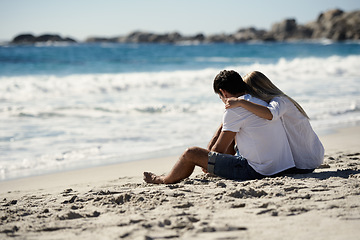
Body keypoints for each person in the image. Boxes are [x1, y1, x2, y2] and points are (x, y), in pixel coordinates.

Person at [143, 70, 295, 184]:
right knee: (235, 136)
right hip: (283, 166)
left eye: (220, 97)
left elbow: (218, 151)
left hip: (260, 171)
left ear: (223, 92)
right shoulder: (259, 100)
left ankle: (162, 180)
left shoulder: (236, 110)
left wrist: (206, 163)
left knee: (190, 153)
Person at [225, 71, 324, 172]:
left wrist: (241, 102)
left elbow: (270, 114)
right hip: (310, 157)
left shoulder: (280, 101)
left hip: (305, 161)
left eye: (247, 92)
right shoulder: (279, 100)